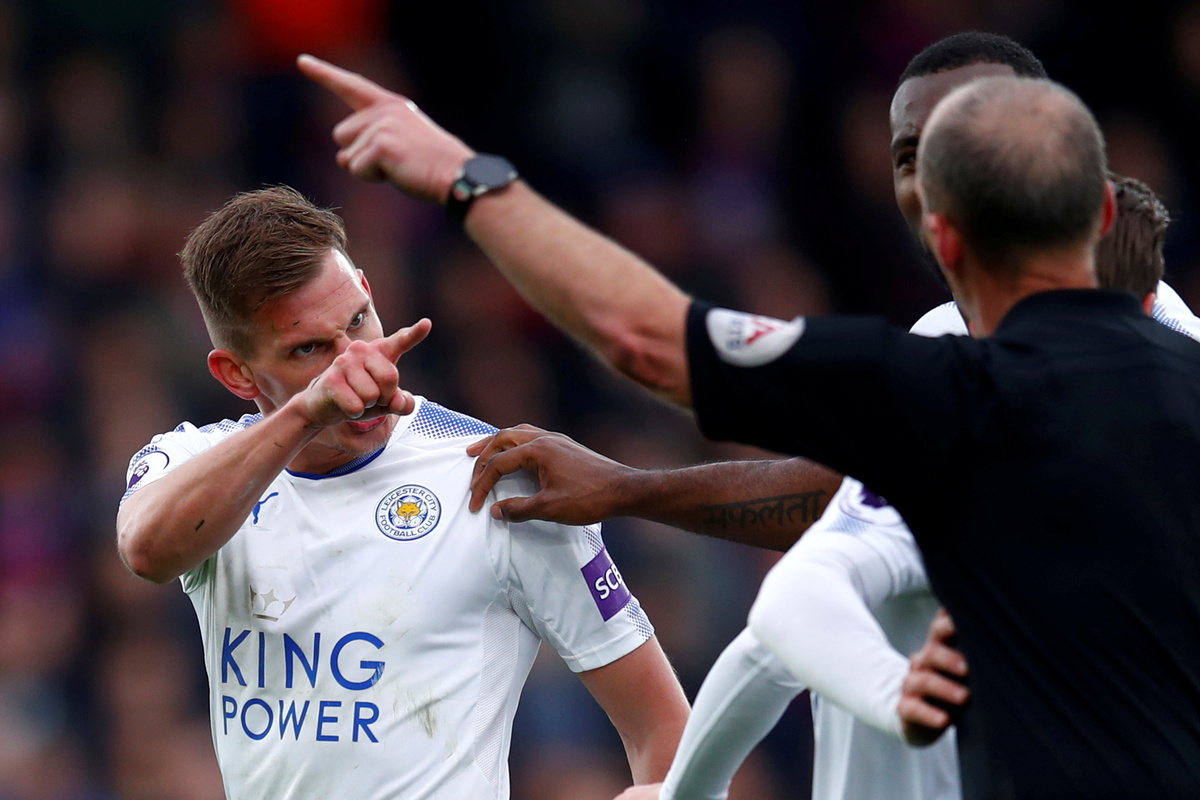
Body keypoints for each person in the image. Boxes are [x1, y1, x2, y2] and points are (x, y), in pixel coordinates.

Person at [299, 49, 1200, 798]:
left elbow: (646, 337)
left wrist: (465, 177)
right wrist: (632, 489)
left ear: (943, 233)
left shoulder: (934, 388)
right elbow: (834, 512)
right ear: (1104, 205)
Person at [113, 187, 689, 800]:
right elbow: (147, 552)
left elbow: (663, 730)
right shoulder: (191, 464)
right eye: (309, 350)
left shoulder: (496, 473)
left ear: (367, 290)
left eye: (358, 321)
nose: (359, 369)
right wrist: (308, 412)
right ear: (237, 373)